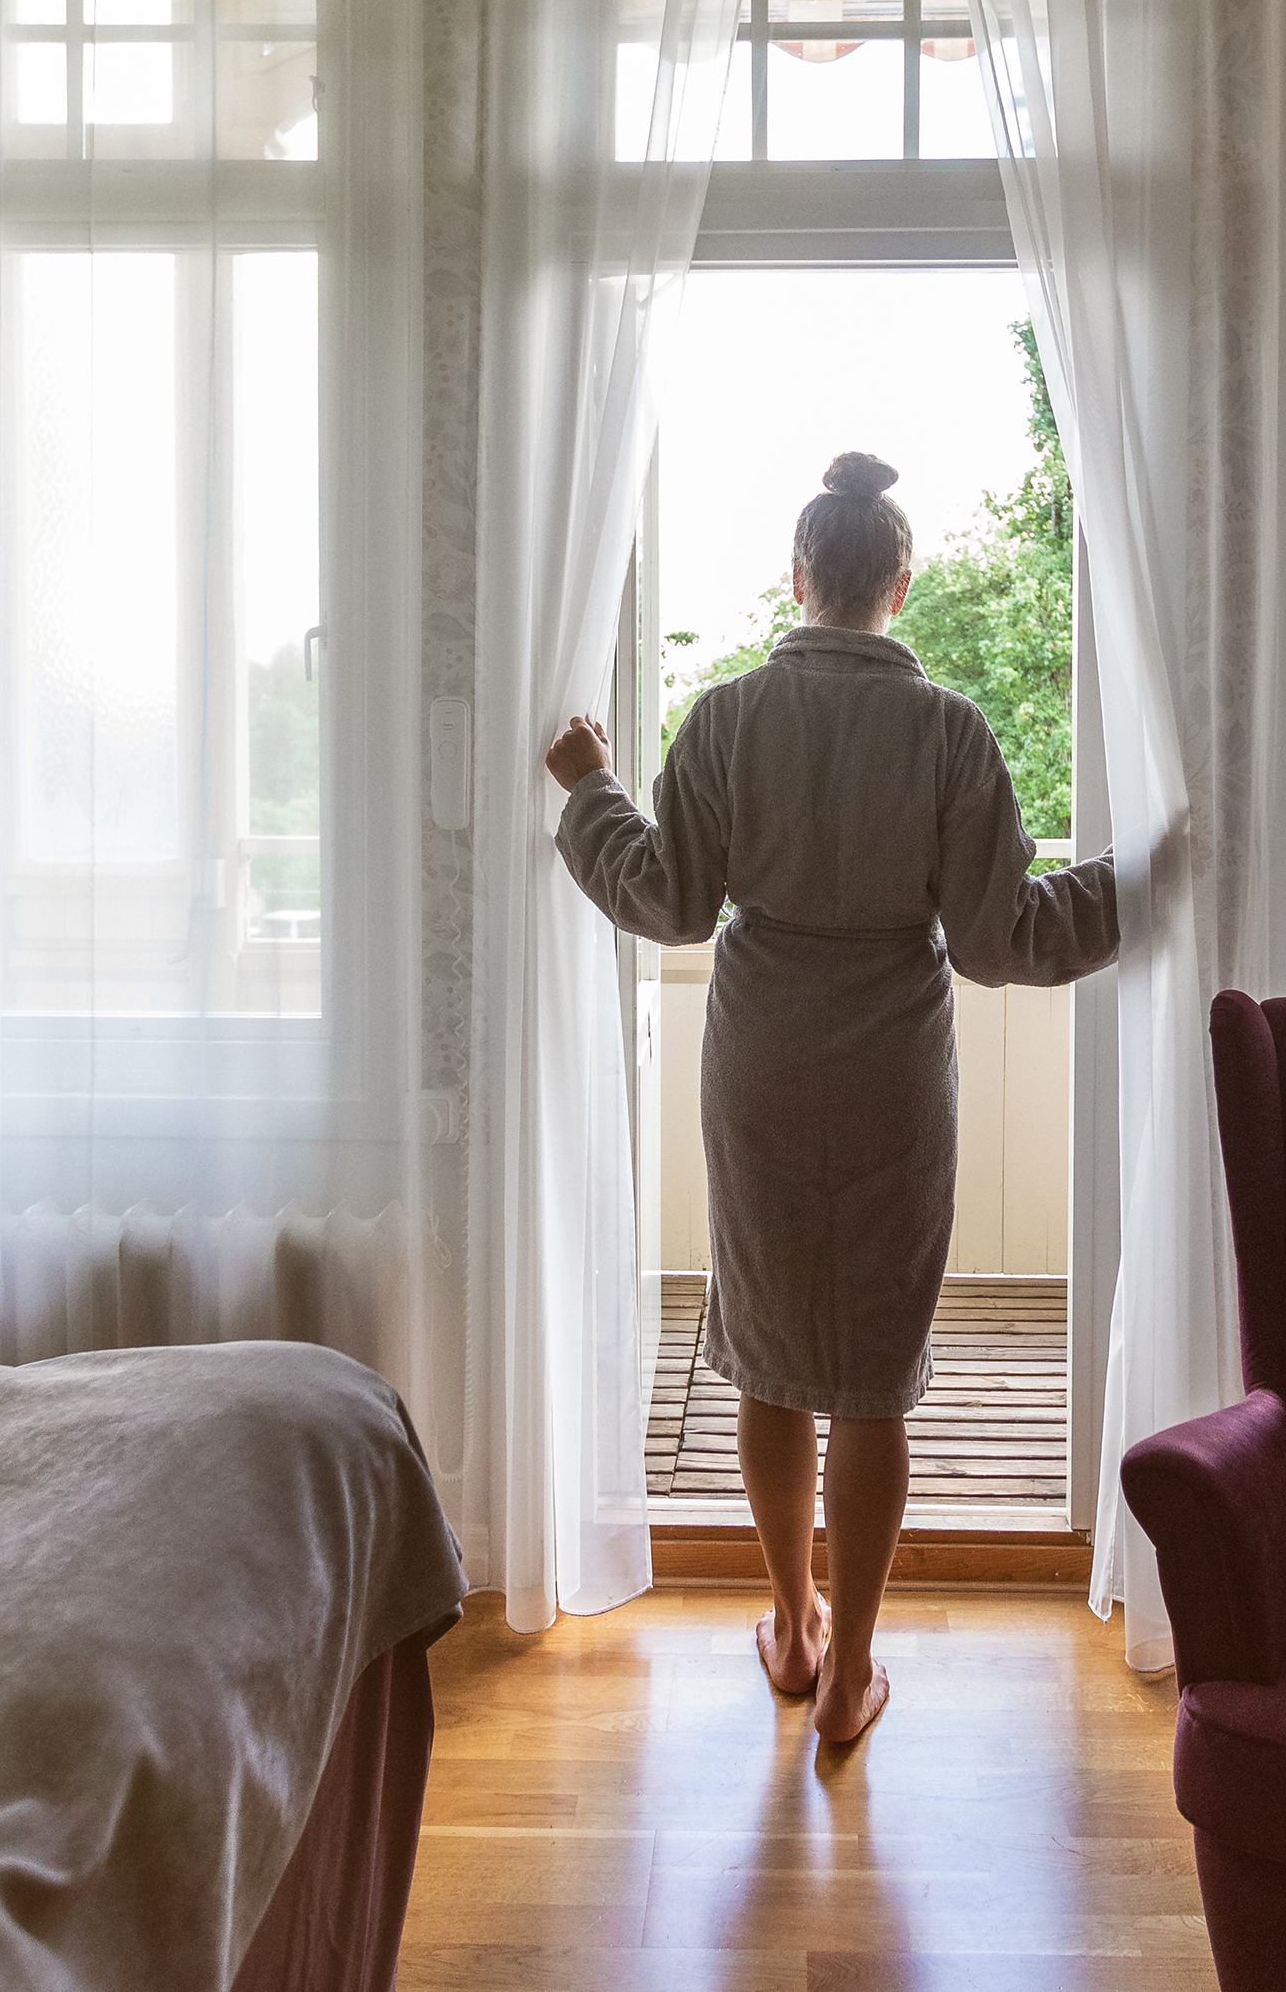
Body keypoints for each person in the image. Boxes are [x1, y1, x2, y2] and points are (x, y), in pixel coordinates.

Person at [544, 451, 1119, 1747]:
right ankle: (852, 1673)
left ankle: (793, 1627)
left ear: (797, 576)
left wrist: (588, 790)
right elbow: (1001, 937)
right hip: (891, 1077)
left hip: (759, 1063)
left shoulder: (726, 718)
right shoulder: (951, 732)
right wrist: (1135, 881)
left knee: (766, 1348)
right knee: (869, 1376)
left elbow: (669, 900)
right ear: (898, 586)